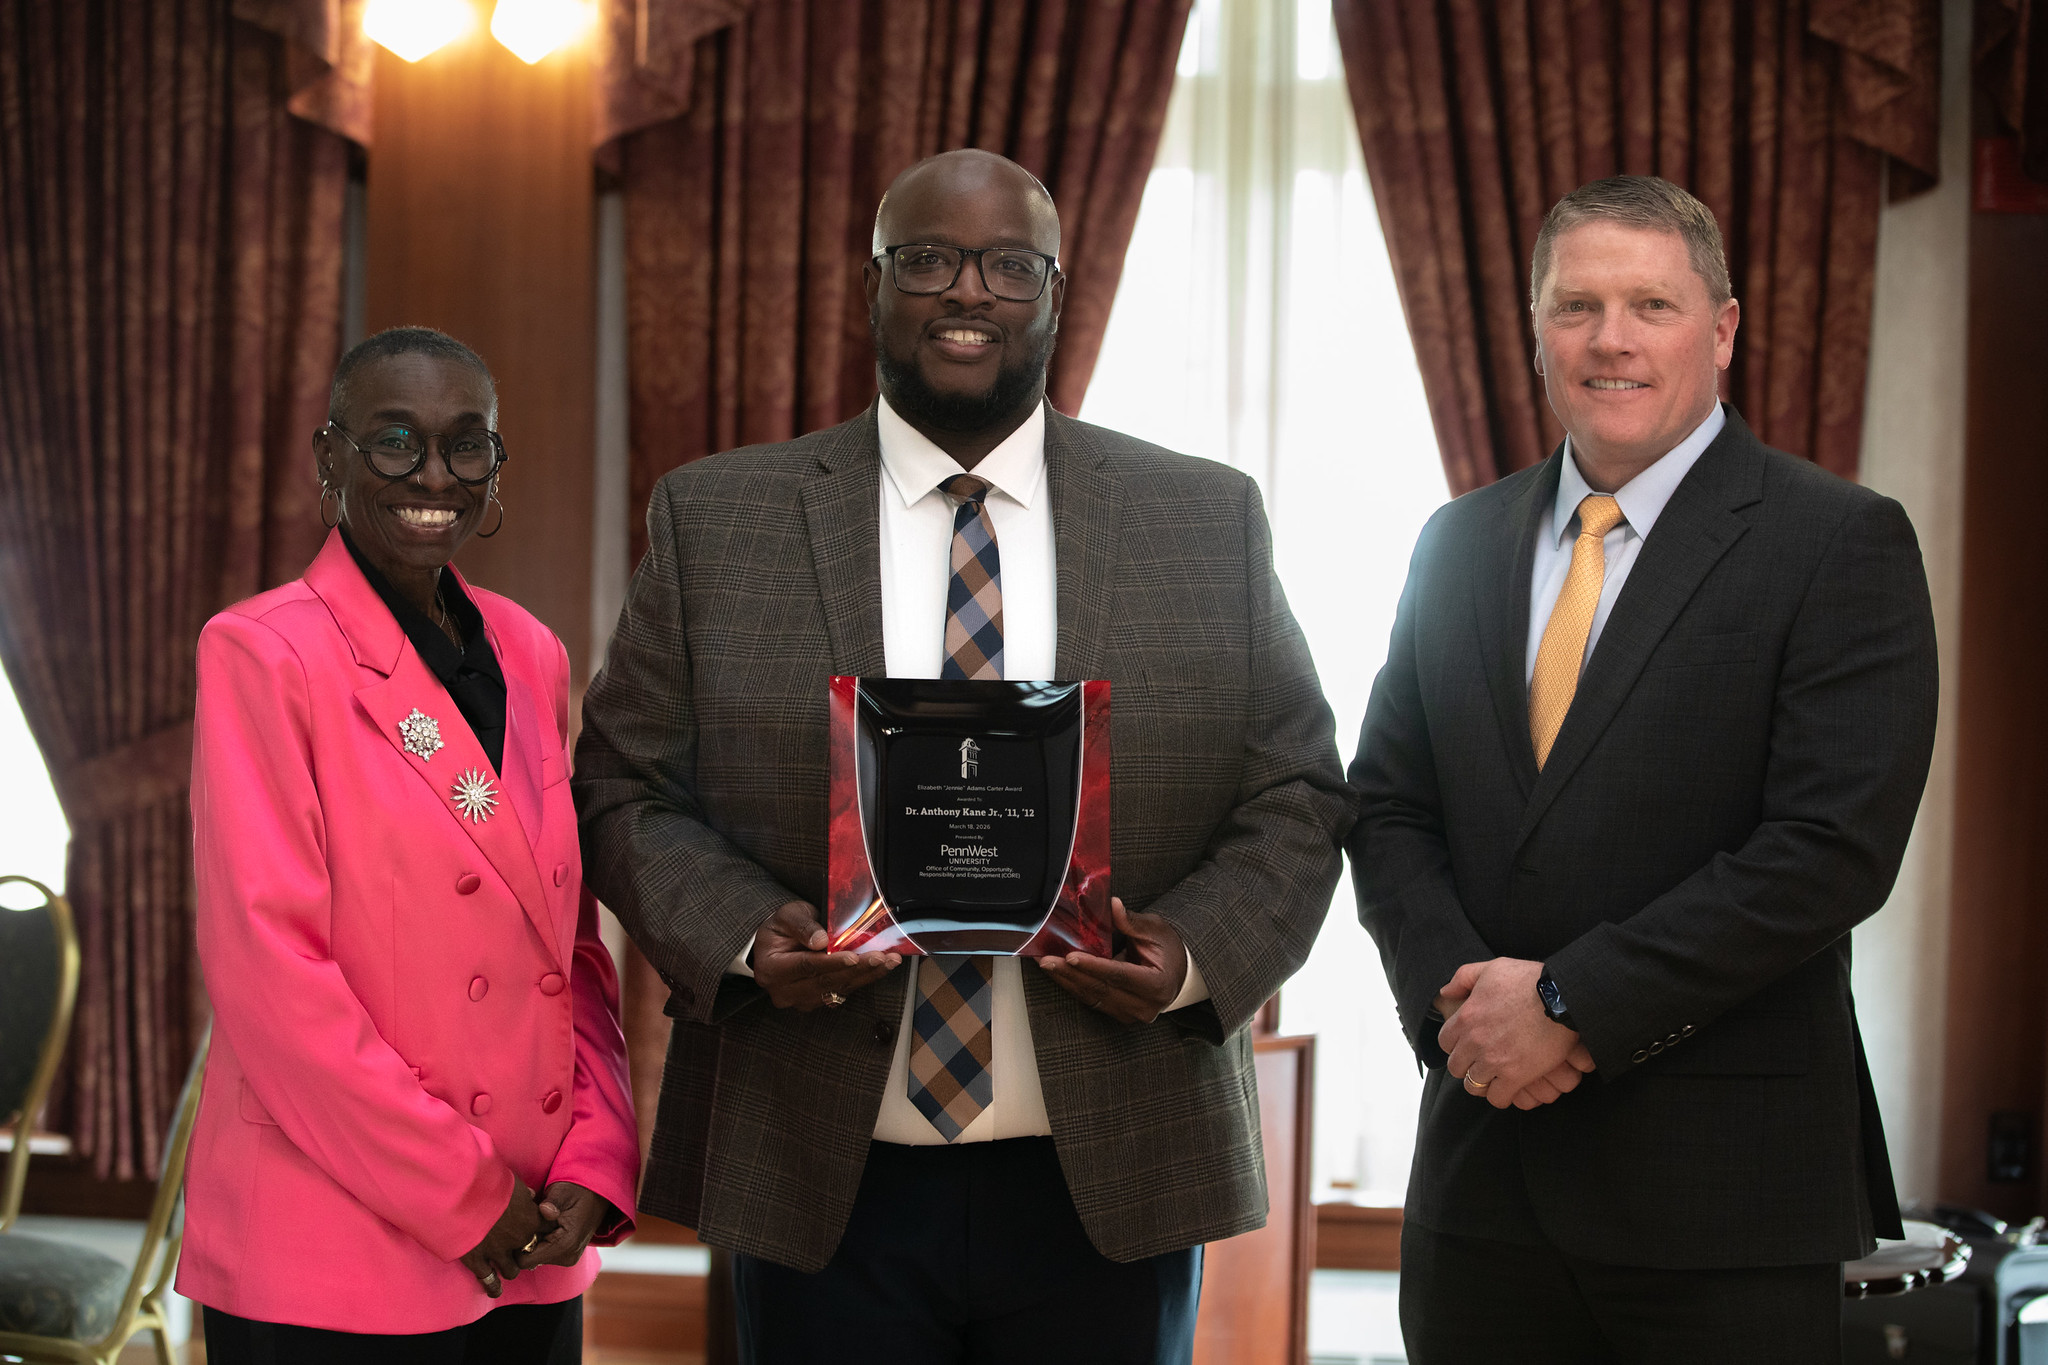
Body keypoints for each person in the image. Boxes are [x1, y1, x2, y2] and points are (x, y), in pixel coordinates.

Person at [574, 149, 1351, 1365]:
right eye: (927, 260)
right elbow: (624, 782)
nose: (966, 294)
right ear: (873, 287)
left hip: (1114, 1151)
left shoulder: (1202, 517)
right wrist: (739, 936)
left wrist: (1196, 957)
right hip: (821, 1156)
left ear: (1054, 293)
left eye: (1006, 265)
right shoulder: (718, 517)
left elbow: (1296, 789)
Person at [1349, 174, 1938, 1363]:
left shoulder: (1836, 540)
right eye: (1575, 307)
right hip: (1481, 1190)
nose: (1608, 339)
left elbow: (1828, 852)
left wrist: (1568, 1005)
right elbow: (1386, 805)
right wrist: (1468, 1007)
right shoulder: (1452, 541)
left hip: (1720, 1201)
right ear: (1533, 333)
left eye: (1649, 305)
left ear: (1719, 329)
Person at [180, 327, 640, 1363]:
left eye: (465, 445)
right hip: (337, 1238)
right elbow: (273, 977)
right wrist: (466, 1197)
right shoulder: (262, 651)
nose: (434, 475)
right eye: (394, 443)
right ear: (327, 458)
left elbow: (565, 950)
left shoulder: (531, 650)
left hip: (531, 1232)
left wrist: (594, 1158)